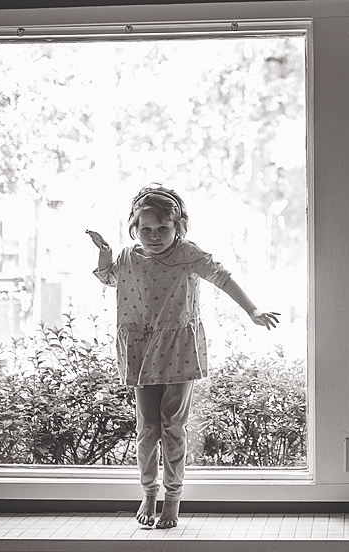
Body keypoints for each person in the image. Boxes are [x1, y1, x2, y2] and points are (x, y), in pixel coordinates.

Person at [87, 184, 279, 529]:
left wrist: (252, 310)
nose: (154, 236)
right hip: (142, 350)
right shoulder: (130, 257)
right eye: (146, 229)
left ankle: (172, 497)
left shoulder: (187, 254)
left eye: (163, 228)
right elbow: (108, 277)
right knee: (147, 428)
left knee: (173, 426)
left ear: (178, 227)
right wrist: (104, 252)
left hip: (177, 350)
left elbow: (222, 277)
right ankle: (148, 492)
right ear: (135, 228)